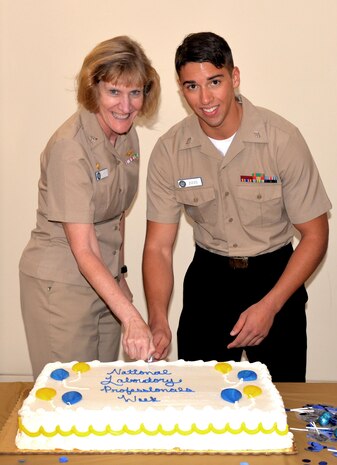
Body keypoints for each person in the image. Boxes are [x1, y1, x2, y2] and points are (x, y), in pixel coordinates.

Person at [142, 32, 331, 382]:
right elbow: (158, 247)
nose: (205, 98)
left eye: (215, 81)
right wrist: (157, 319)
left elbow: (316, 234)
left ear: (235, 77)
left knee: (281, 406)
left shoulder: (281, 138)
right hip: (208, 280)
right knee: (199, 404)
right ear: (182, 90)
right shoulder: (170, 151)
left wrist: (271, 305)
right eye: (192, 86)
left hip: (275, 278)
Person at [19, 36, 160, 379]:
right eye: (114, 92)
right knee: (68, 401)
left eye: (135, 92)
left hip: (104, 282)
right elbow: (83, 249)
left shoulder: (127, 135)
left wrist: (121, 279)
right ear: (92, 88)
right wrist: (131, 317)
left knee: (102, 394)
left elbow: (116, 216)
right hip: (63, 287)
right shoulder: (70, 148)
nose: (126, 106)